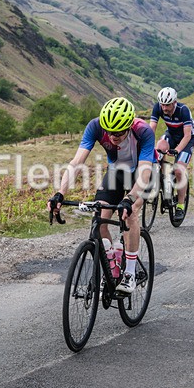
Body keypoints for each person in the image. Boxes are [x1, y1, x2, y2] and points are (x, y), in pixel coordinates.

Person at [48, 97, 155, 294]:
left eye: (119, 132)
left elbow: (145, 172)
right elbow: (77, 163)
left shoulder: (143, 131)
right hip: (116, 172)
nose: (113, 136)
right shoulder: (95, 126)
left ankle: (130, 273)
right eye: (109, 131)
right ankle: (112, 263)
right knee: (99, 218)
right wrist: (60, 193)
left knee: (130, 213)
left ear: (129, 126)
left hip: (142, 172)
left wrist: (130, 198)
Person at [148, 87, 194, 222]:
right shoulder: (158, 107)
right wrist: (147, 145)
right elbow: (151, 128)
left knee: (179, 170)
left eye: (167, 105)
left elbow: (187, 135)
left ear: (174, 102)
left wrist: (177, 150)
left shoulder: (183, 110)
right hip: (171, 134)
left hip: (187, 139)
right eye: (162, 104)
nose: (164, 108)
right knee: (159, 149)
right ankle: (164, 179)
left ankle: (180, 205)